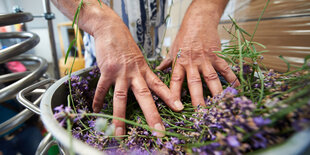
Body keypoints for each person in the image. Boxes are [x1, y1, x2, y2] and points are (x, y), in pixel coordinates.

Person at [51, 0, 239, 138]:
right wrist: (100, 22)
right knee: (107, 103)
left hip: (154, 58)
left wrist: (204, 11)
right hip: (105, 62)